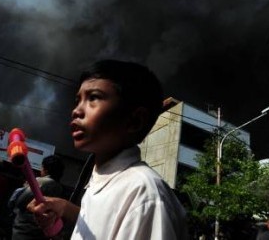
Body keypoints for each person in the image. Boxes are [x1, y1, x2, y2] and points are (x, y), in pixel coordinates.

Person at [27, 59, 188, 239]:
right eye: (77, 100)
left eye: (93, 97)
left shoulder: (144, 195)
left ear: (135, 120)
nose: (76, 111)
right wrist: (64, 210)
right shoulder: (102, 181)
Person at [9, 155, 65, 240]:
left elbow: (20, 201)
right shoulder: (59, 188)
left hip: (25, 228)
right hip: (41, 230)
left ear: (46, 169)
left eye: (42, 167)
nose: (40, 170)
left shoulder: (41, 182)